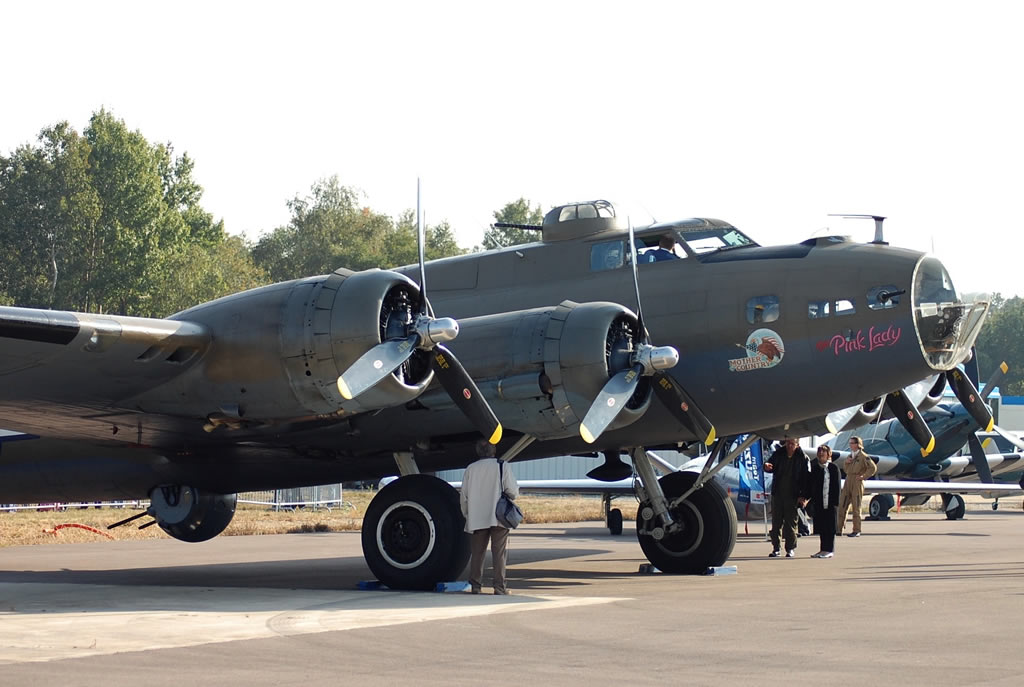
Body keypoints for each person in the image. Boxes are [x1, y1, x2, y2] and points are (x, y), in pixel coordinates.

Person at [460, 439, 519, 594]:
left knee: (477, 553)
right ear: (493, 451)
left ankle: (476, 586)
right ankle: (499, 587)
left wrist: (468, 515)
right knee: (499, 553)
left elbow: (464, 497)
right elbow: (513, 491)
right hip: (498, 517)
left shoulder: (470, 469)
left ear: (478, 452)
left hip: (477, 517)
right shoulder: (502, 466)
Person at [764, 436, 811, 557]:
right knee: (776, 523)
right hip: (778, 494)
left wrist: (803, 496)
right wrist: (767, 466)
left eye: (792, 444)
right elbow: (770, 466)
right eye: (788, 443)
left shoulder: (803, 458)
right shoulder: (778, 455)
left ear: (797, 445)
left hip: (793, 496)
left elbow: (807, 479)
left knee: (791, 524)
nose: (789, 446)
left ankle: (790, 548)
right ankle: (776, 548)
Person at [800, 445, 841, 558]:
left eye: (824, 452)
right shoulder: (815, 468)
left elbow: (837, 486)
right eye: (820, 452)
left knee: (830, 527)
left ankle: (829, 550)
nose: (821, 454)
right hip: (819, 502)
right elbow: (810, 486)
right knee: (822, 527)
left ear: (828, 454)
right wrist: (805, 497)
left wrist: (836, 503)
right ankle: (823, 549)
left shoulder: (833, 468)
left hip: (830, 503)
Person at [837, 435, 878, 537]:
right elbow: (846, 469)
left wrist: (863, 476)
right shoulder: (850, 456)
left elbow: (873, 468)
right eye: (850, 443)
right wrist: (846, 463)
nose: (850, 445)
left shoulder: (864, 457)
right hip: (848, 480)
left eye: (852, 443)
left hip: (857, 481)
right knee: (842, 505)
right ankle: (839, 529)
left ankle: (856, 529)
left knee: (856, 506)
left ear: (857, 444)